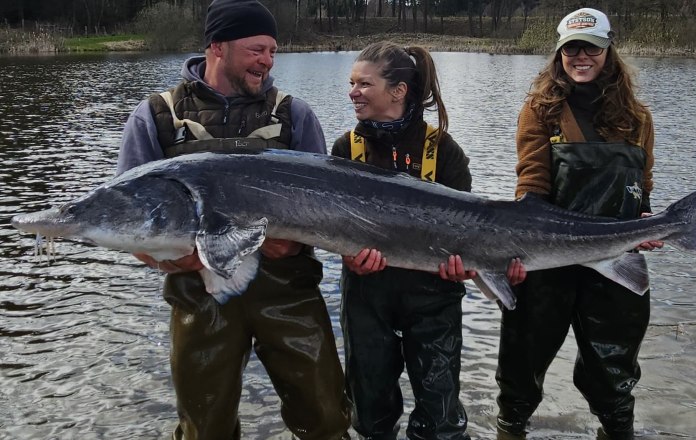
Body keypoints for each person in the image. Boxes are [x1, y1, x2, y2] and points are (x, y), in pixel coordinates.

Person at [116, 1, 351, 438]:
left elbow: (330, 213)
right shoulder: (156, 116)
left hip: (288, 291)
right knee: (204, 428)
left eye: (272, 51)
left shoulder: (294, 115)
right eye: (256, 49)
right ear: (217, 46)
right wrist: (178, 260)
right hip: (198, 298)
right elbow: (129, 220)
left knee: (325, 417)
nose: (267, 61)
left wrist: (298, 244)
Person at [331, 41, 526, 440]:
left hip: (433, 299)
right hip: (367, 297)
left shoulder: (445, 152)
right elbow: (331, 226)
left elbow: (474, 233)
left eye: (364, 84)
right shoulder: (343, 149)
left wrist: (467, 270)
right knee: (369, 415)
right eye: (351, 83)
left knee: (440, 417)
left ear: (398, 91)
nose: (352, 92)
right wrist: (347, 257)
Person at [495, 8, 664, 440]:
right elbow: (531, 179)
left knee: (614, 371)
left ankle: (616, 429)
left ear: (609, 51)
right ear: (559, 54)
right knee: (522, 362)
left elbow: (640, 185)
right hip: (546, 257)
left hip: (612, 258)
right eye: (571, 48)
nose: (580, 56)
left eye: (590, 47)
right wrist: (515, 245)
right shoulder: (540, 109)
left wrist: (643, 220)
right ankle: (510, 428)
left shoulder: (638, 116)